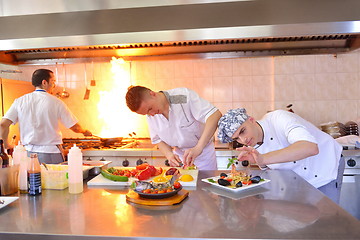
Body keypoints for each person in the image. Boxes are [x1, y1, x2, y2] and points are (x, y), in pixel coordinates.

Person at [217, 108, 344, 203]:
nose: (243, 140)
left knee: (327, 223)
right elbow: (274, 167)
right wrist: (261, 163)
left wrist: (263, 158)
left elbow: (310, 147)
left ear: (251, 120)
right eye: (237, 138)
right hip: (299, 179)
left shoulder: (279, 118)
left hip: (324, 165)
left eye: (242, 131)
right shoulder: (253, 142)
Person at [0, 69, 92, 164]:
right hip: (51, 154)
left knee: (32, 179)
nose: (54, 85)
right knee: (54, 178)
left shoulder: (20, 101)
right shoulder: (56, 102)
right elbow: (75, 127)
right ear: (44, 82)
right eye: (53, 82)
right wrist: (84, 131)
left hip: (27, 154)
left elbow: (3, 124)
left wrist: (6, 144)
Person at [126, 86, 222, 170]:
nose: (152, 114)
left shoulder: (184, 96)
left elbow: (215, 115)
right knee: (183, 189)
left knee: (205, 189)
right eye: (147, 113)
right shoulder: (151, 115)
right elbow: (157, 139)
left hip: (203, 154)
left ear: (153, 94)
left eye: (150, 109)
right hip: (180, 158)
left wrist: (199, 147)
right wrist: (169, 154)